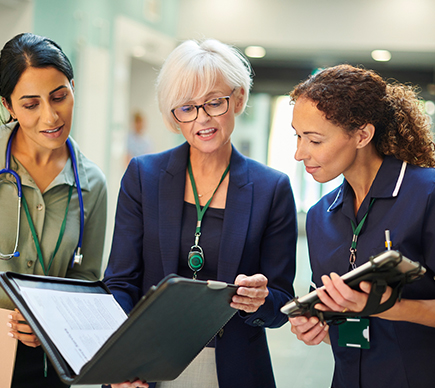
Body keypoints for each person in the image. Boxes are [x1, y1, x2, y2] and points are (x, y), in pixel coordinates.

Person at [103, 39, 297, 388]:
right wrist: (121, 359)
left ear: (237, 99)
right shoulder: (143, 176)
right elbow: (120, 281)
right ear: (173, 115)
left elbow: (282, 301)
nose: (202, 119)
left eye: (214, 103)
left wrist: (261, 299)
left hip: (232, 368)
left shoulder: (272, 188)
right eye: (187, 108)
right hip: (148, 365)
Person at [288, 64, 435, 388]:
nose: (300, 153)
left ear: (362, 135)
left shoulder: (427, 194)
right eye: (298, 136)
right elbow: (340, 322)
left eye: (314, 140)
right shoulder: (320, 215)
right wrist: (319, 328)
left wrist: (390, 307)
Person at [0, 33, 107, 388]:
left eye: (59, 96)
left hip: (53, 359)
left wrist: (50, 318)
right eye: (31, 104)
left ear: (73, 88)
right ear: (9, 107)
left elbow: (87, 280)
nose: (51, 116)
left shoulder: (92, 184)